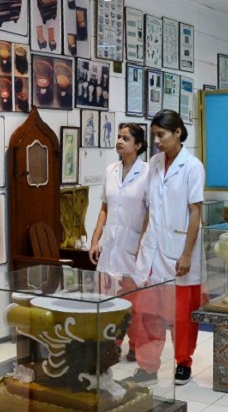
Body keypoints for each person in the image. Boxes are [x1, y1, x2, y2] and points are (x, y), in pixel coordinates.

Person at [130, 109, 204, 386]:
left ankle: (183, 362)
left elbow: (196, 212)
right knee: (148, 313)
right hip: (153, 250)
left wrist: (186, 253)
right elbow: (150, 206)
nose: (157, 141)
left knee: (181, 315)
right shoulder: (154, 163)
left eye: (161, 135)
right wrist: (141, 243)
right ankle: (147, 366)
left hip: (179, 251)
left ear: (178, 132)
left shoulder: (192, 166)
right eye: (154, 136)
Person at [89, 123, 149, 361]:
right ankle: (111, 344)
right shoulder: (110, 170)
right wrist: (95, 240)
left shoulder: (147, 173)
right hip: (110, 245)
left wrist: (141, 244)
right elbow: (104, 207)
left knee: (133, 302)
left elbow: (149, 212)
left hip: (133, 245)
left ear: (138, 145)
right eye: (119, 136)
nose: (120, 141)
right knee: (108, 300)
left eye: (126, 138)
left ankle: (136, 344)